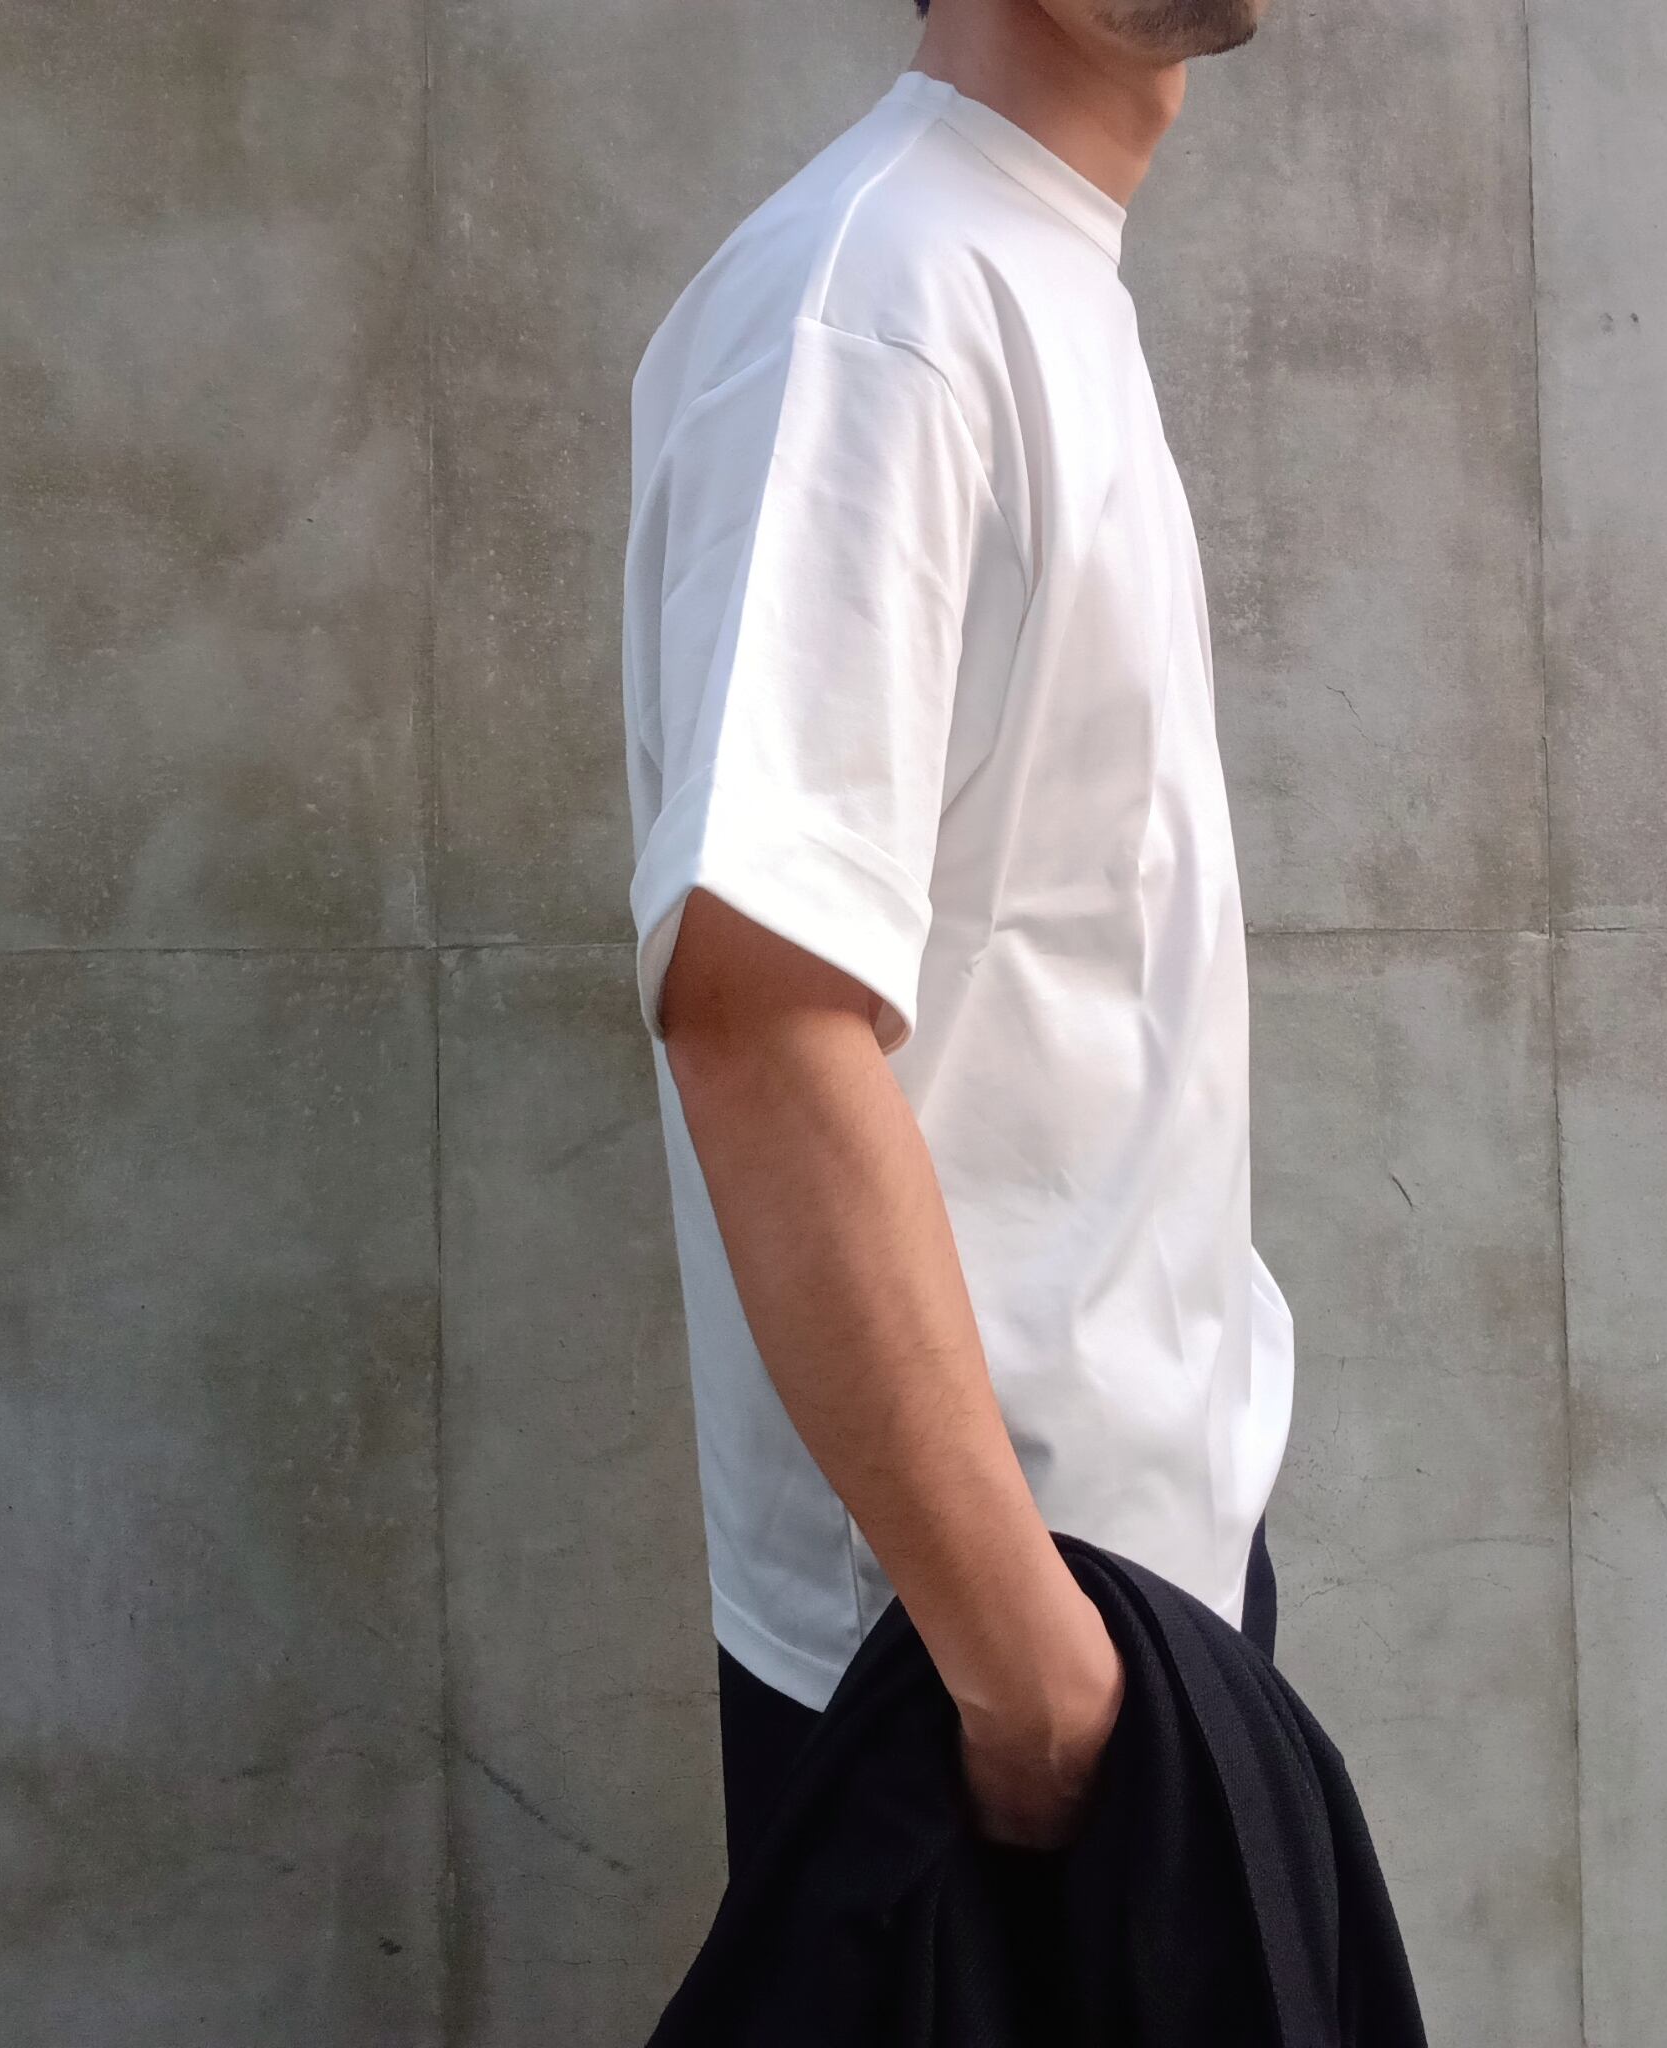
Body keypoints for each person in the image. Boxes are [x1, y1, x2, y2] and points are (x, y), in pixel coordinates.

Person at [619, 0, 1291, 1872]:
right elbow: (758, 1017)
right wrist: (1035, 1684)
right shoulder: (882, 304)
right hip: (984, 1672)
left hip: (1124, 1596)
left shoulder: (1024, 266)